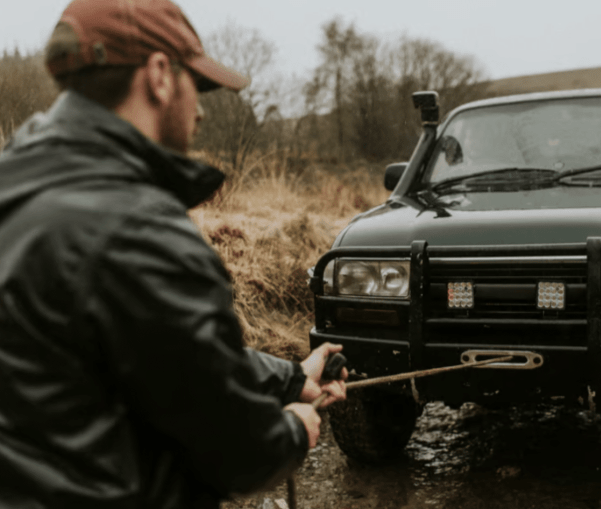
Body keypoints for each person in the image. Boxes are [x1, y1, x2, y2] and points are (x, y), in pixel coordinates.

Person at [0, 0, 346, 507]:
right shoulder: (138, 230)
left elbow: (163, 351)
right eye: (197, 85)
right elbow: (239, 454)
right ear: (160, 75)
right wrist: (295, 430)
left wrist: (293, 377)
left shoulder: (18, 194)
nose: (201, 109)